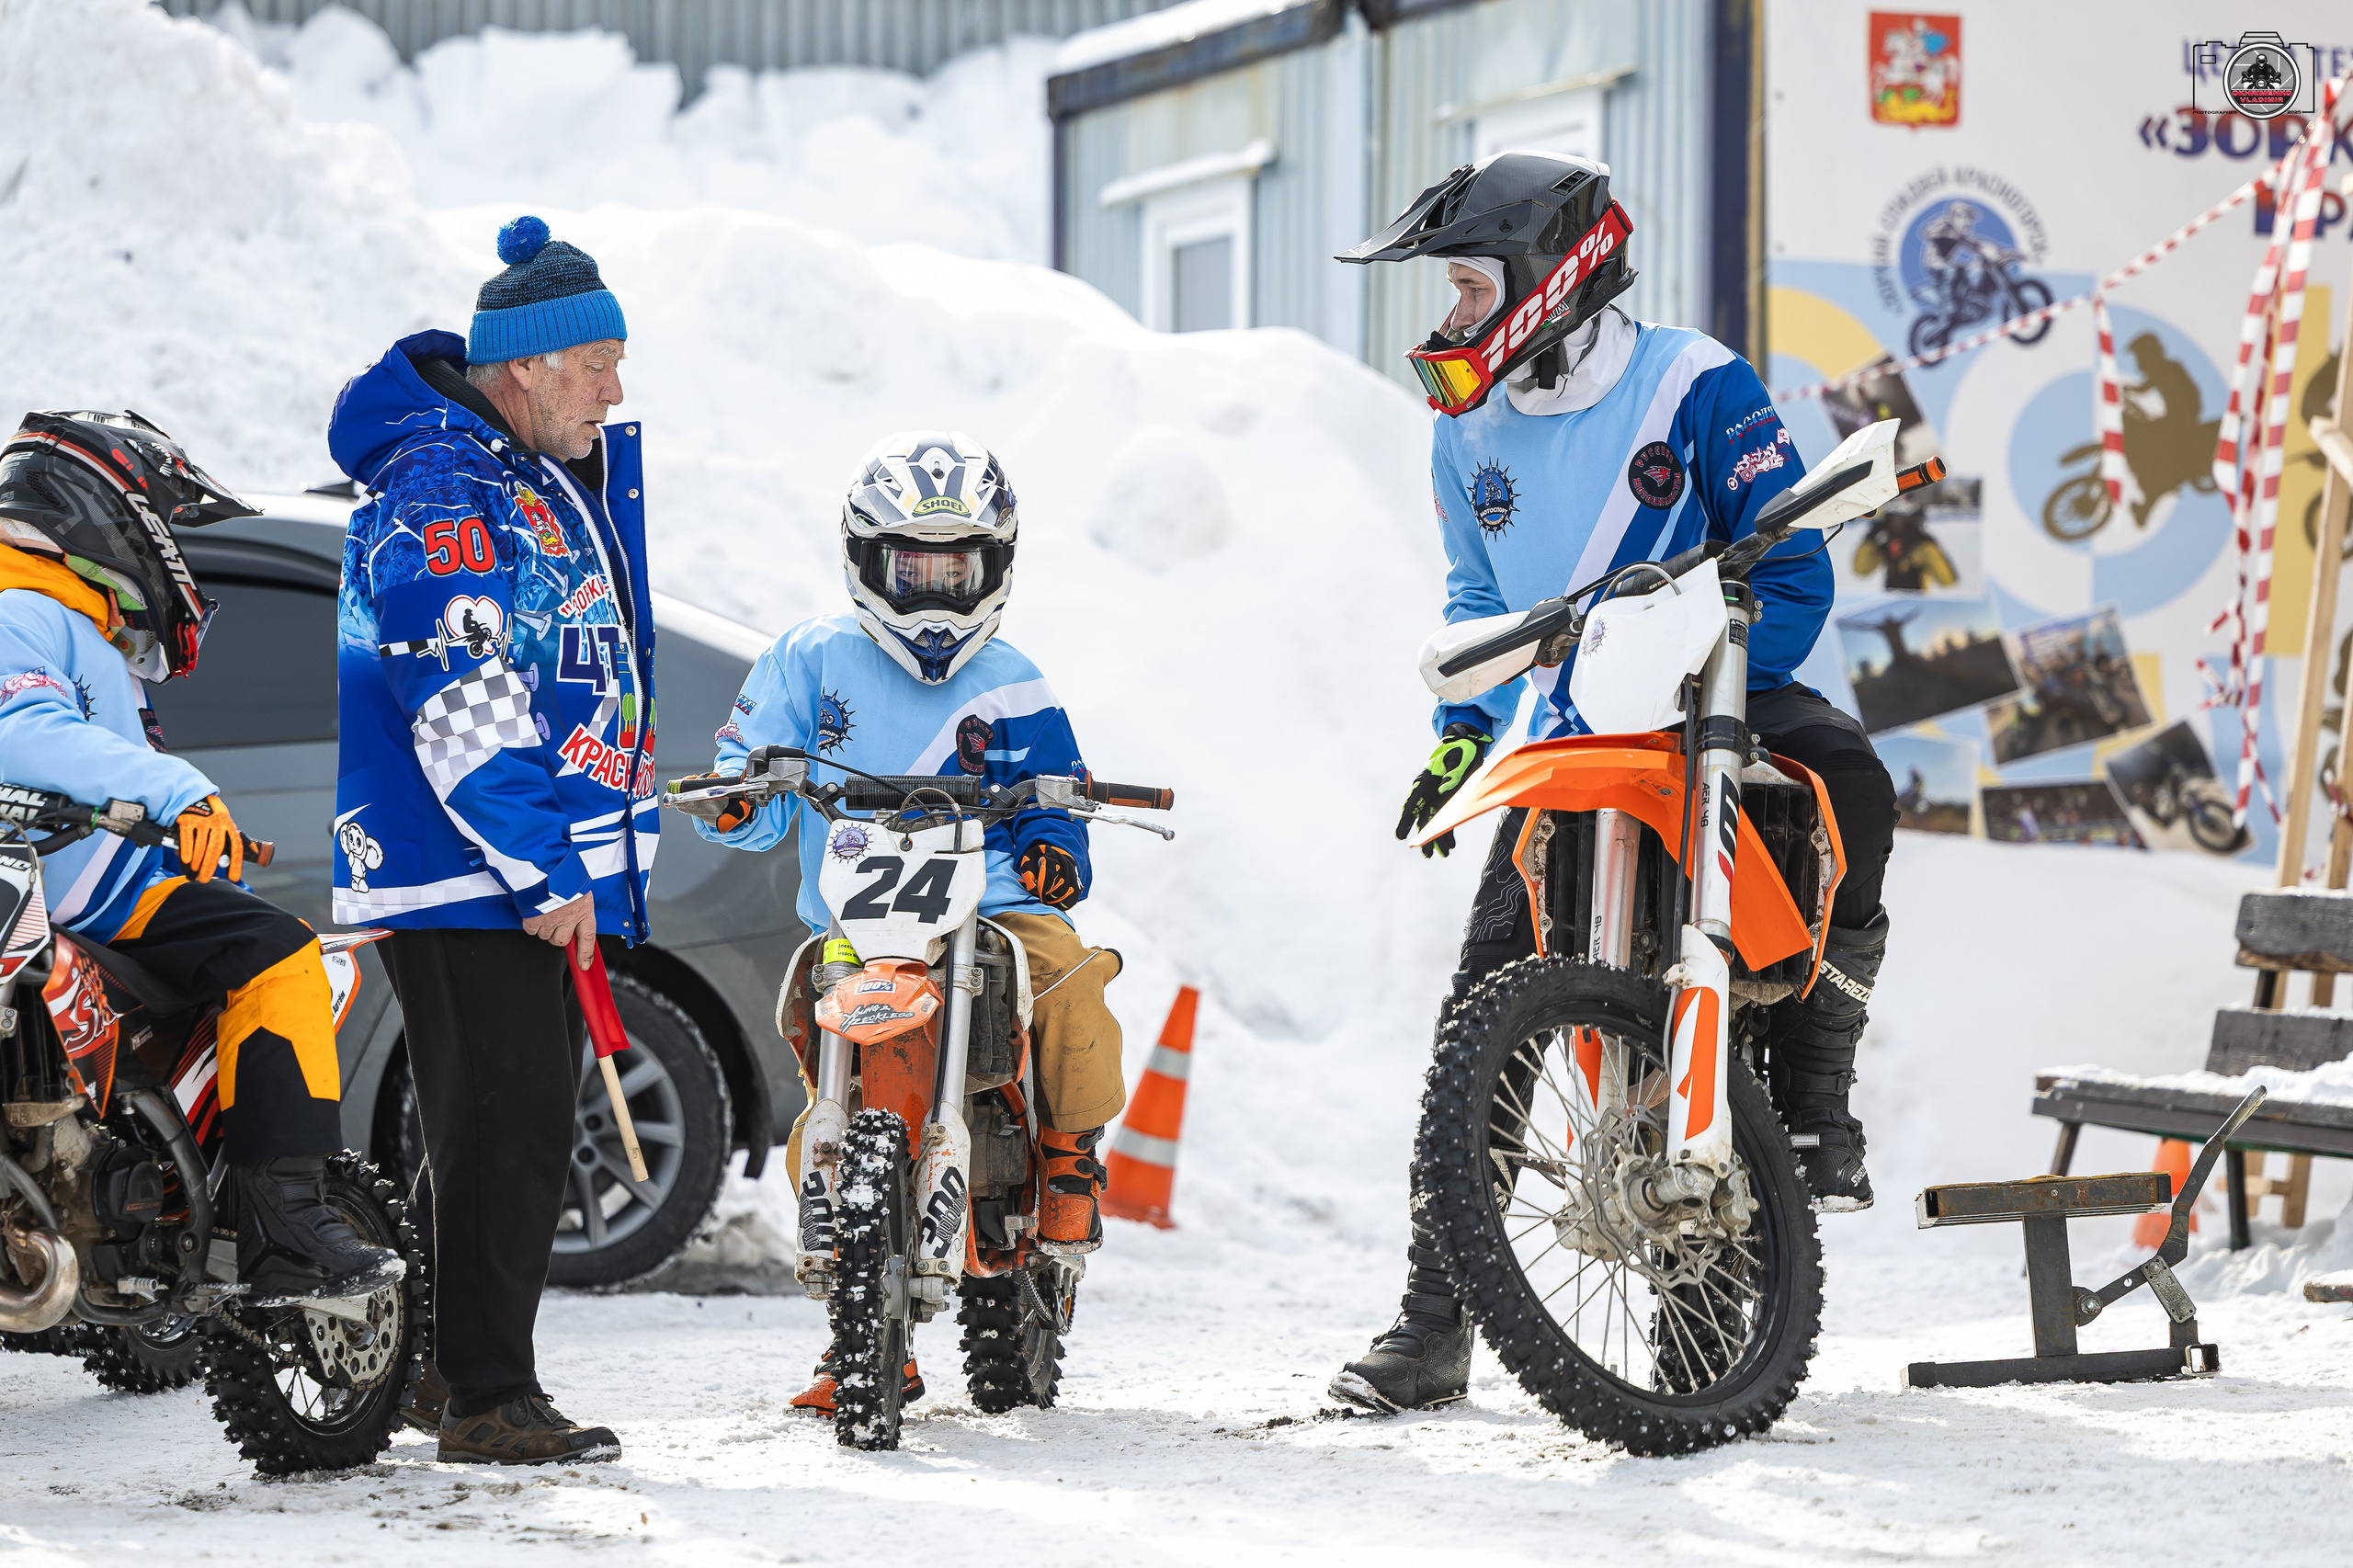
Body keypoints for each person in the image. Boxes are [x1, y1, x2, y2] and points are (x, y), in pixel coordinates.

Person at [1330, 152, 1899, 1415]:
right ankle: (1434, 1325)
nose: (1451, 320)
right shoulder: (1460, 423)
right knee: (1477, 1013)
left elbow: (1792, 570)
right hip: (1580, 728)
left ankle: (1816, 1097)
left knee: (1854, 785)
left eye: (1470, 290)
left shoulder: (1693, 382)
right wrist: (1461, 736)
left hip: (1718, 692)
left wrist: (1716, 673)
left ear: (1553, 279)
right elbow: (1479, 601)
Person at [672, 430, 1124, 1415]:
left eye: (955, 565)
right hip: (862, 904)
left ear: (994, 564)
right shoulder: (806, 656)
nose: (932, 591)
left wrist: (1056, 844)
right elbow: (750, 757)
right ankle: (864, 1331)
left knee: (1070, 975)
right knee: (817, 1073)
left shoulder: (1014, 677)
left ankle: (1066, 1156)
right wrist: (744, 794)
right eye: (910, 566)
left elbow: (1059, 789)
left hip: (991, 894)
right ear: (865, 559)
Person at [329, 216, 656, 1465]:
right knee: (513, 1126)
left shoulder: (513, 471)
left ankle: (443, 1370)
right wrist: (544, 863)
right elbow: (456, 691)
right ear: (522, 364)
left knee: (493, 1126)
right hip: (470, 869)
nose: (615, 390)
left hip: (497, 866)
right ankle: (486, 1392)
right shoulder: (442, 484)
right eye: (597, 363)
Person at [0, 410, 404, 1304]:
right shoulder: (22, 605)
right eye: (165, 523)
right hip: (86, 891)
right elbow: (21, 728)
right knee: (284, 951)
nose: (170, 549)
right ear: (100, 509)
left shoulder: (57, 613)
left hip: (60, 891)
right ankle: (290, 1233)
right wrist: (175, 790)